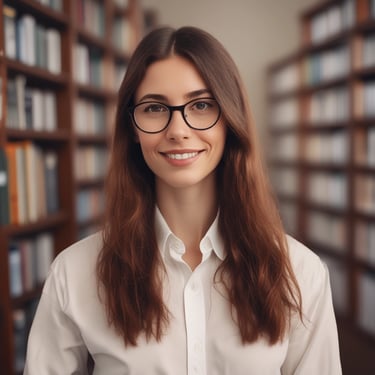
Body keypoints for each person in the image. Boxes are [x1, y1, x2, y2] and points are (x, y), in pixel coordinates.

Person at [24, 26, 342, 374]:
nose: (178, 130)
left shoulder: (300, 273)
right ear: (131, 126)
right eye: (155, 108)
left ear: (230, 121)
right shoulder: (74, 273)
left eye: (202, 105)